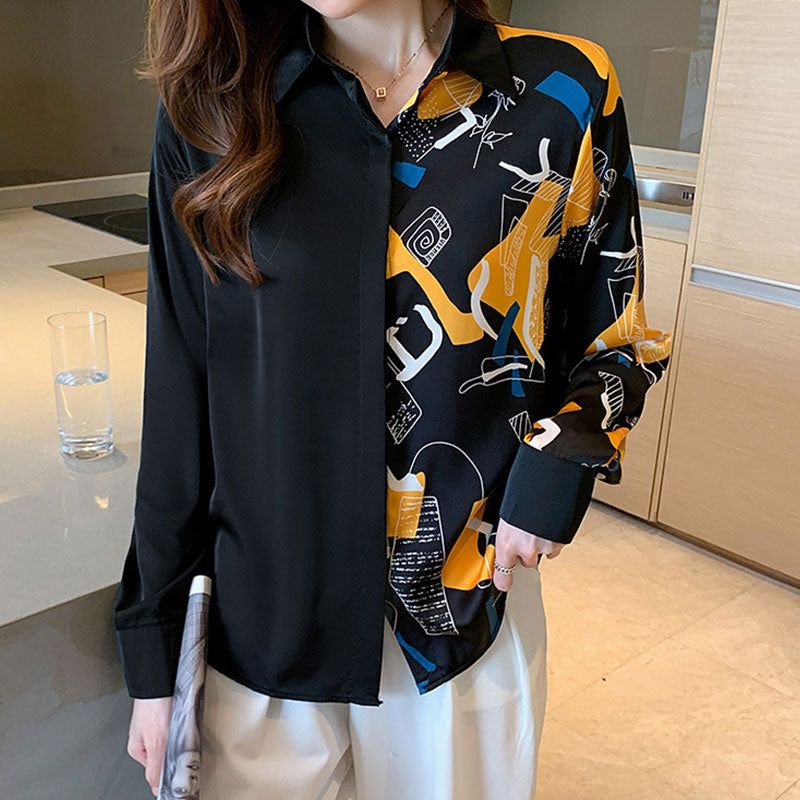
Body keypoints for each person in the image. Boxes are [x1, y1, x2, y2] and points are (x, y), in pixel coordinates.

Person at [114, 0, 673, 797]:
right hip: (265, 626)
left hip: (461, 620)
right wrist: (153, 645)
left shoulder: (565, 89)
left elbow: (616, 337)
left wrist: (562, 456)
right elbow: (179, 393)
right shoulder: (209, 112)